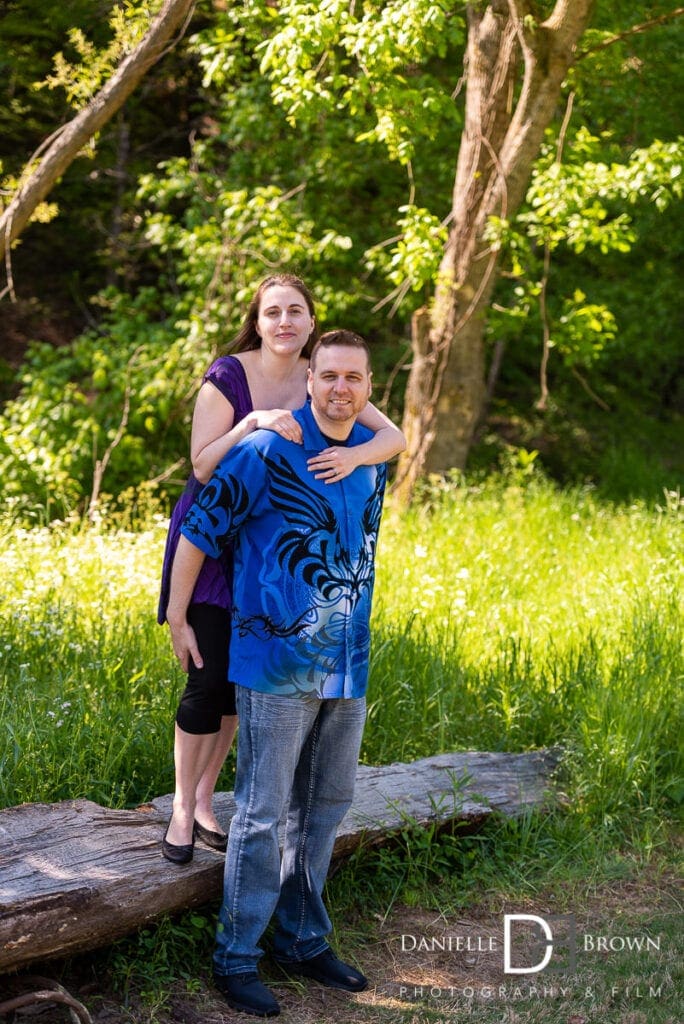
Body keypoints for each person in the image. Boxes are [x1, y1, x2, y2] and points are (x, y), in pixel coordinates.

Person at [166, 330, 387, 1017]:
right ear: (310, 381)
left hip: (345, 663)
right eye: (329, 376)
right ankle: (236, 956)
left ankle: (301, 938)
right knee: (261, 814)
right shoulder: (262, 453)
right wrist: (177, 617)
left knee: (324, 806)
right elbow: (200, 534)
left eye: (354, 378)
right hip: (272, 663)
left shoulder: (368, 463)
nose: (341, 388)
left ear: (370, 387)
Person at [158, 275, 405, 864]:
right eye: (273, 312)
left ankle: (205, 801)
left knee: (240, 686)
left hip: (269, 550)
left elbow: (392, 437)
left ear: (312, 322)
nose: (285, 322)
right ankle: (178, 810)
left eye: (296, 311)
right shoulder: (228, 376)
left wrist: (353, 455)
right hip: (214, 539)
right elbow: (200, 468)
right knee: (205, 678)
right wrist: (255, 423)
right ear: (259, 319)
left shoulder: (321, 375)